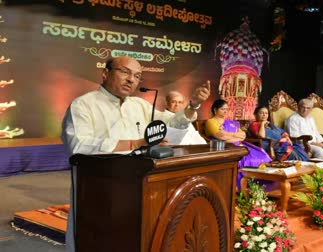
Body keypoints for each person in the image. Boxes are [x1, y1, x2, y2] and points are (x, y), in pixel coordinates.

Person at [61, 56, 210, 252]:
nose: (131, 79)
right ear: (105, 73)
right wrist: (135, 143)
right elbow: (79, 145)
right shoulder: (83, 105)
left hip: (138, 187)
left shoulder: (139, 105)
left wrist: (193, 105)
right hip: (98, 190)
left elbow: (172, 123)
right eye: (125, 72)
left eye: (138, 76)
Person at [204, 99, 272, 188]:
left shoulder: (231, 123)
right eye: (222, 109)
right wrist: (235, 136)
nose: (225, 111)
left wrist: (230, 134)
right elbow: (221, 136)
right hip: (225, 147)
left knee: (263, 156)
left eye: (226, 109)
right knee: (246, 160)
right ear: (215, 110)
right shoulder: (211, 122)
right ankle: (244, 186)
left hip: (240, 145)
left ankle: (260, 187)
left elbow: (243, 135)